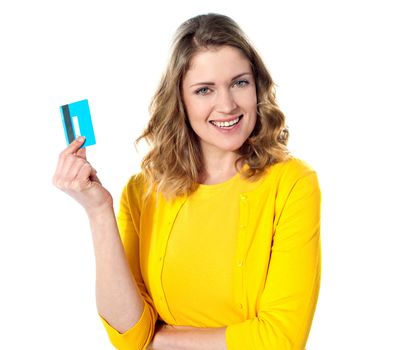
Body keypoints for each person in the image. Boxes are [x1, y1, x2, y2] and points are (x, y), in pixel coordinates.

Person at [53, 13, 321, 350]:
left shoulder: (293, 184)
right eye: (204, 89)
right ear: (180, 99)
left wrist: (160, 341)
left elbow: (280, 339)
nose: (226, 105)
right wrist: (98, 211)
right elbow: (129, 335)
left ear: (257, 87)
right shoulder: (143, 192)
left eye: (240, 82)